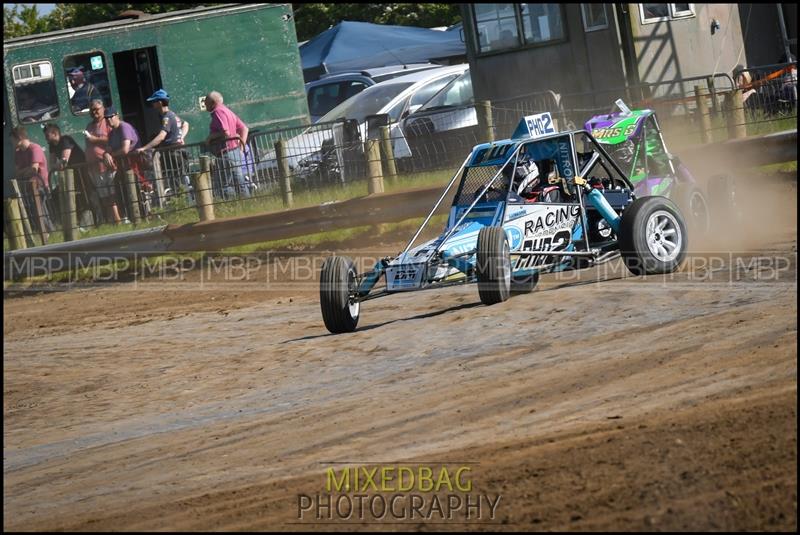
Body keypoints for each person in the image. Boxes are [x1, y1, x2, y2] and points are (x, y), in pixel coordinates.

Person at [136, 89, 191, 199]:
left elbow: (161, 136)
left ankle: (183, 205)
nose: (152, 104)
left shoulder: (167, 117)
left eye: (154, 102)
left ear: (160, 102)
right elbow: (186, 124)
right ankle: (185, 202)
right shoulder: (173, 115)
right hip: (179, 152)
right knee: (180, 180)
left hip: (172, 154)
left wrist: (144, 148)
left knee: (176, 183)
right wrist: (181, 137)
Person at [104, 106, 152, 218]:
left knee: (138, 191)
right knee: (124, 192)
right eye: (106, 118)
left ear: (117, 115)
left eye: (110, 117)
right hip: (123, 167)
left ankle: (145, 216)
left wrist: (111, 155)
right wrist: (106, 154)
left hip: (135, 166)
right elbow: (108, 149)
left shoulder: (124, 127)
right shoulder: (111, 133)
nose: (108, 120)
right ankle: (131, 217)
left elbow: (125, 149)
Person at [43, 123, 93, 230]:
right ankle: (71, 224)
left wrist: (59, 164)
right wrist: (59, 164)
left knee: (84, 197)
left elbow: (64, 162)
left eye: (47, 135)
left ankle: (87, 225)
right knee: (61, 195)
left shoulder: (65, 140)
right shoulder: (52, 145)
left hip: (81, 172)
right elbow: (52, 164)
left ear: (55, 133)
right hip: (69, 175)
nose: (45, 138)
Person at [204, 90, 250, 198]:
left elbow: (226, 133)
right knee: (239, 182)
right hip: (235, 152)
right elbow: (244, 128)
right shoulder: (228, 111)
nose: (205, 105)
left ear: (212, 102)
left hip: (225, 153)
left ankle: (229, 205)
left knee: (220, 185)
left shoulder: (217, 112)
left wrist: (210, 137)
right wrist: (241, 149)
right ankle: (247, 202)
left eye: (206, 102)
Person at [11, 126, 55, 238]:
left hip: (39, 185)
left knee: (41, 209)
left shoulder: (35, 148)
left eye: (13, 139)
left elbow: (34, 169)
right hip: (27, 186)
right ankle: (46, 233)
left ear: (20, 138)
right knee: (35, 210)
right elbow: (17, 173)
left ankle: (49, 233)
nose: (11, 142)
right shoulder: (17, 153)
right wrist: (27, 171)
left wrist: (25, 171)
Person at [84, 98, 120, 224]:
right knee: (103, 196)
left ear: (103, 109)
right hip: (94, 167)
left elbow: (114, 140)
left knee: (111, 195)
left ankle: (117, 220)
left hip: (106, 165)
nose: (94, 112)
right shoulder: (89, 126)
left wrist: (96, 139)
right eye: (92, 110)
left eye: (97, 109)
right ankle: (110, 222)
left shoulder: (107, 122)